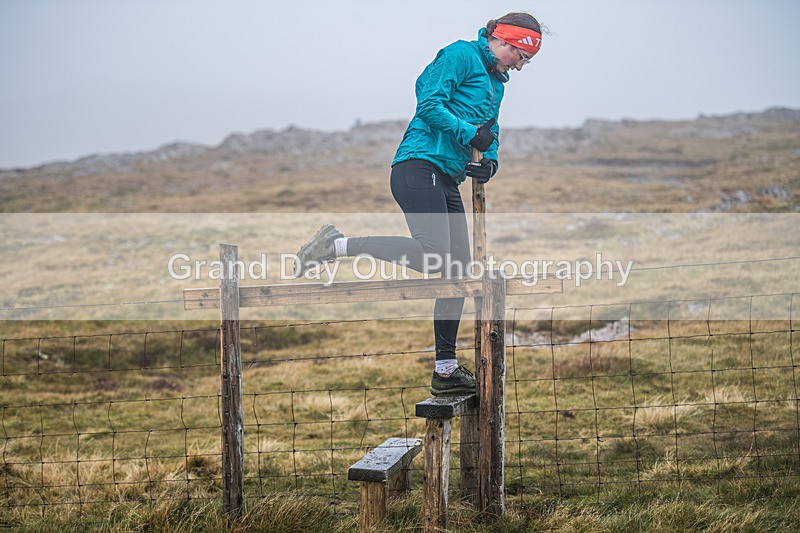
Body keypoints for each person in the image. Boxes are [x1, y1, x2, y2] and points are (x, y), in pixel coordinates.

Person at [292, 12, 543, 395]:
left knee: (457, 271)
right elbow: (428, 103)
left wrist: (490, 159)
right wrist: (467, 132)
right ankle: (333, 245)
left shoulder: (497, 84)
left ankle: (444, 371)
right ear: (506, 42)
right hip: (417, 164)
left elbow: (489, 130)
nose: (521, 67)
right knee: (434, 256)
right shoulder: (460, 55)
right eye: (521, 58)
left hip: (447, 176)